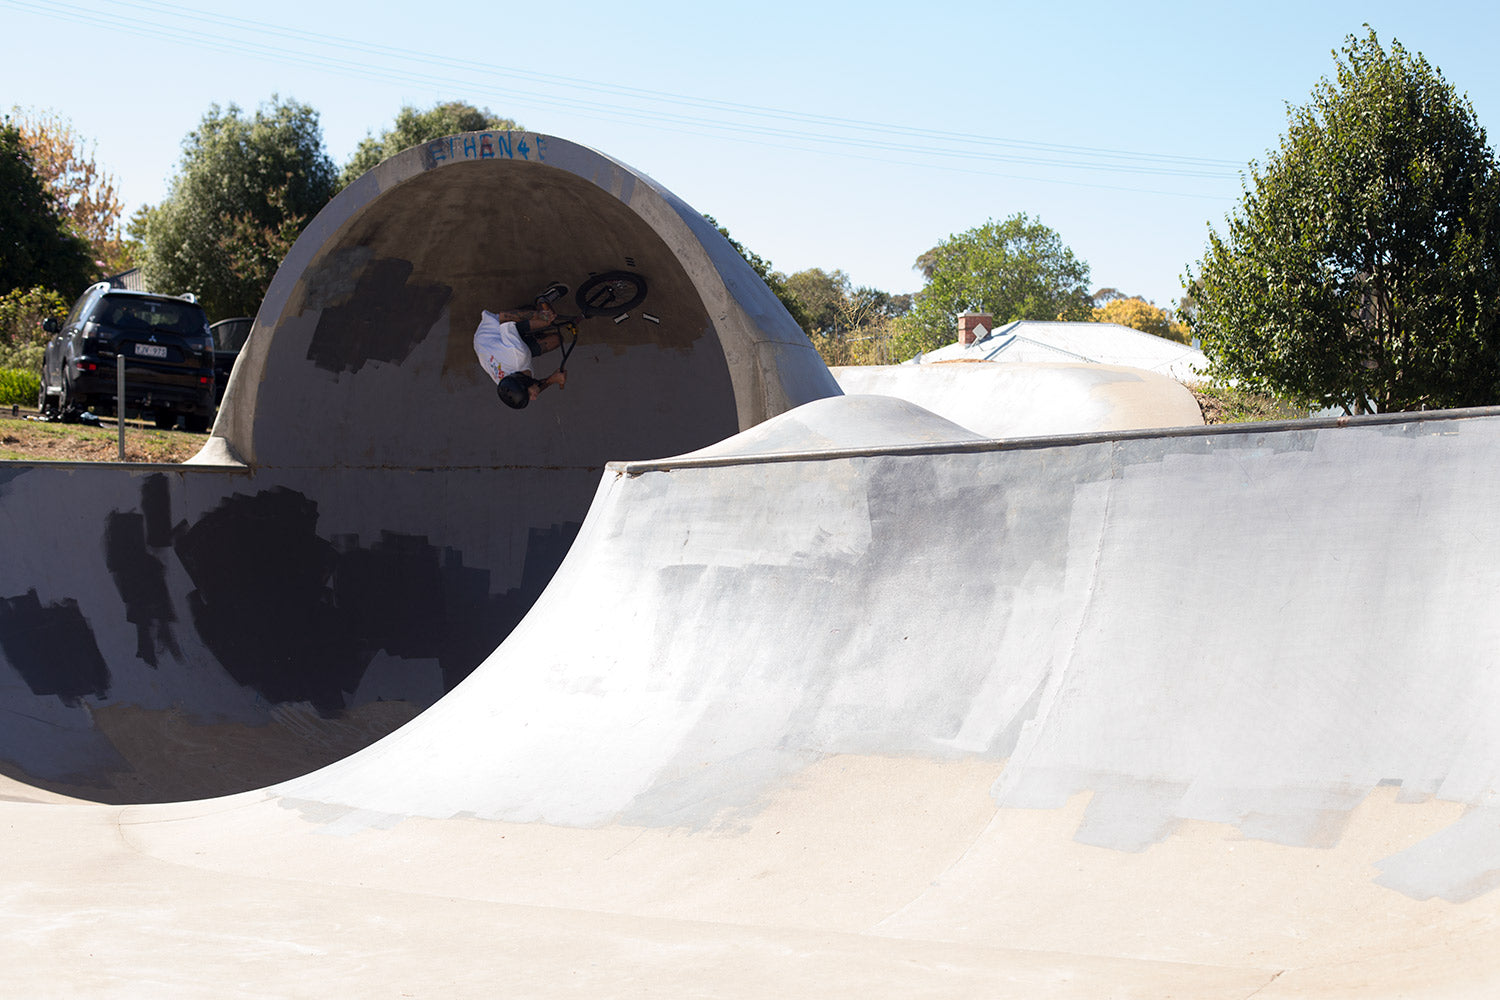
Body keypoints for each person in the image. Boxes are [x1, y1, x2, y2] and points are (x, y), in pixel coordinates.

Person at [473, 284, 571, 409]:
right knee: (556, 340)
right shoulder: (507, 384)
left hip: (491, 329)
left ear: (524, 381)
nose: (534, 398)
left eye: (530, 394)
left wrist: (539, 315)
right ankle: (524, 327)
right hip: (487, 347)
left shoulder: (518, 356)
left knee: (545, 319)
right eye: (529, 397)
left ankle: (542, 299)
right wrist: (552, 379)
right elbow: (534, 387)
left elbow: (504, 317)